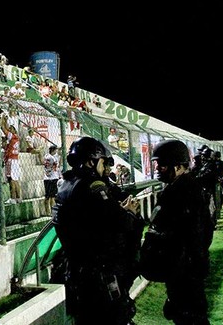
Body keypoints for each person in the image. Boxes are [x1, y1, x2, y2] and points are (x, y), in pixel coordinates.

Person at [52, 136, 142, 324]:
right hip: (98, 273)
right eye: (102, 162)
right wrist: (130, 213)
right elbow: (119, 222)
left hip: (77, 270)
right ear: (91, 161)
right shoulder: (92, 186)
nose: (105, 168)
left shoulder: (66, 184)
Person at [147, 139, 214, 324]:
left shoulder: (182, 192)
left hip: (185, 270)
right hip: (185, 268)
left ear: (177, 166)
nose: (158, 169)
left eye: (162, 165)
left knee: (190, 316)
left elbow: (189, 234)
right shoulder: (186, 187)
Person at [43, 145, 60, 216]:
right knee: (51, 196)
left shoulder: (46, 156)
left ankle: (48, 212)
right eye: (56, 150)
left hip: (48, 178)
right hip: (51, 178)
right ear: (53, 150)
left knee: (49, 196)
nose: (56, 151)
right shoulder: (52, 158)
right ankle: (51, 212)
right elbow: (56, 166)